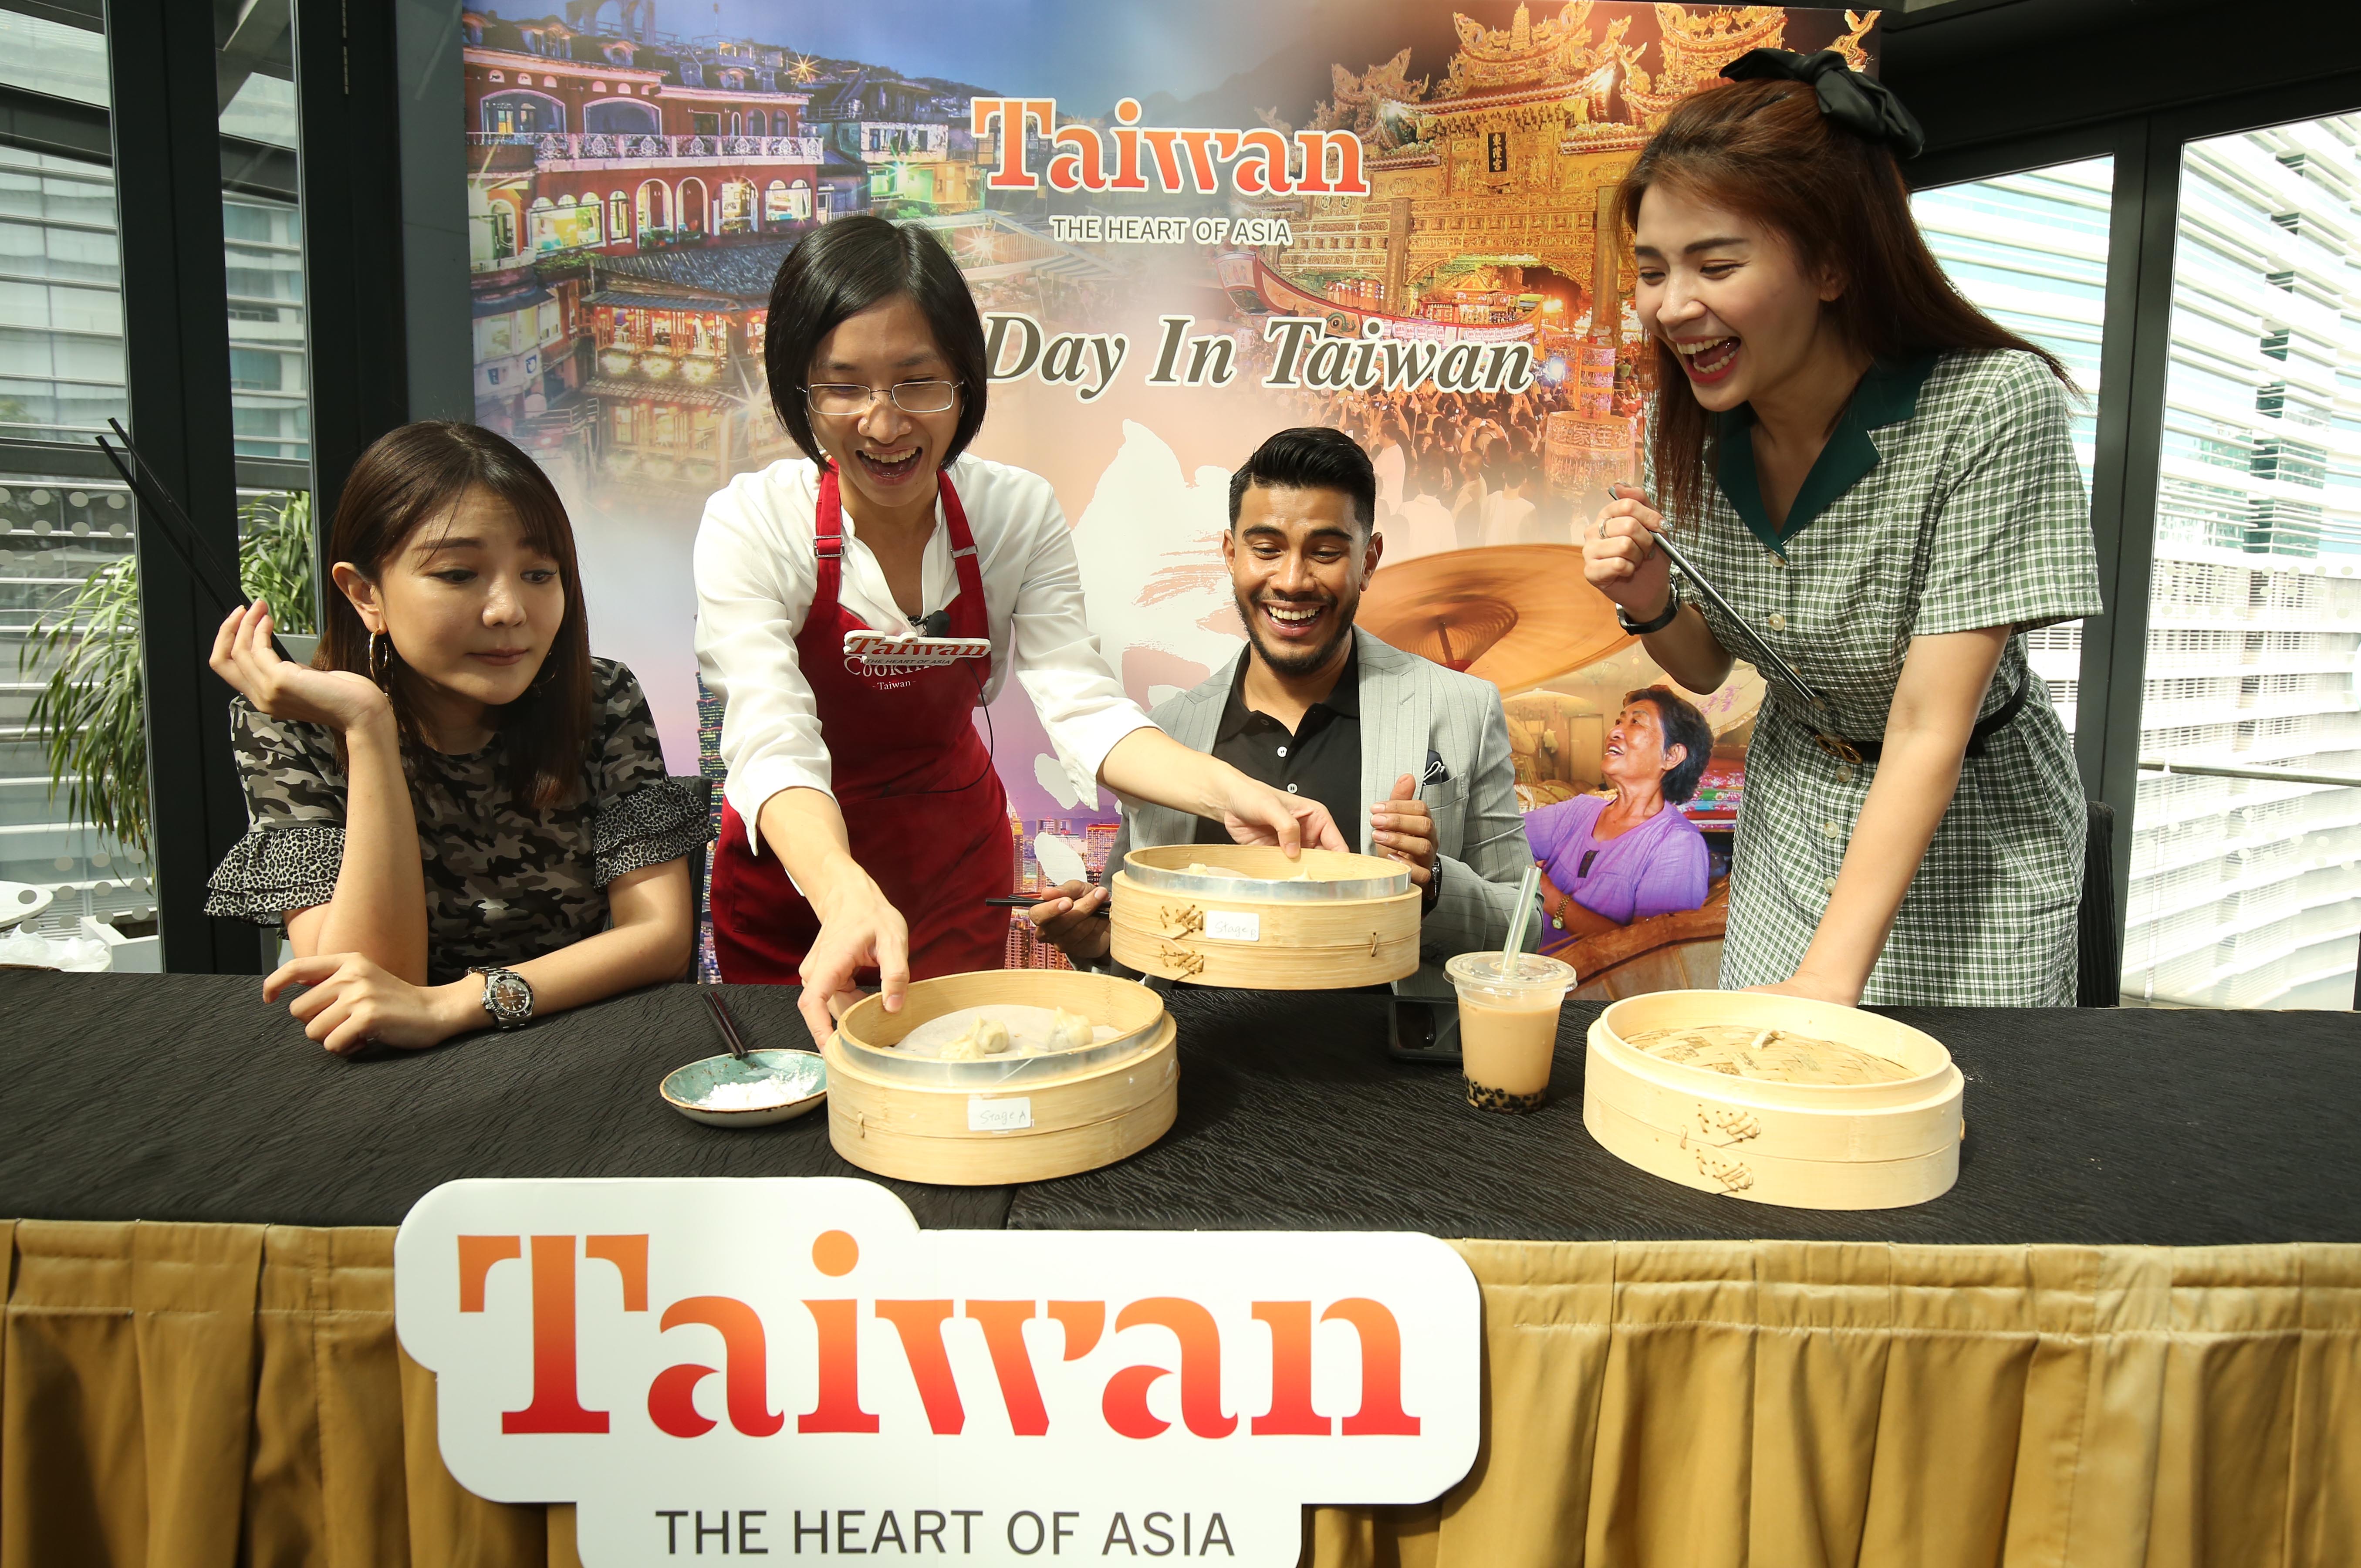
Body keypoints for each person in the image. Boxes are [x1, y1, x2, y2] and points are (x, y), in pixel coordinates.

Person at [695, 216, 1344, 1041]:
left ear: (965, 383)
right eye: (843, 385)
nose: (884, 422)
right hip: (798, 878)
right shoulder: (753, 524)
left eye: (918, 382)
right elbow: (770, 734)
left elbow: (1081, 706)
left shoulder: (1013, 514)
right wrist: (842, 887)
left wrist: (1235, 793)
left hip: (949, 865)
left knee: (961, 1075)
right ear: (799, 391)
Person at [1581, 52, 2101, 1006]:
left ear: (1830, 264)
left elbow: (1924, 725)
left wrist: (1829, 977)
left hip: (1969, 830)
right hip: (1793, 804)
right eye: (1652, 271)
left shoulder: (1986, 409)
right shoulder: (1678, 427)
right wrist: (1648, 599)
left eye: (1715, 263)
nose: (1671, 306)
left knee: (1947, 1122)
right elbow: (1703, 672)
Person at [203, 422, 708, 1053]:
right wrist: (367, 727)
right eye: (458, 574)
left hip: (574, 1046)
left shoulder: (601, 699)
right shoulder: (293, 726)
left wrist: (451, 1006)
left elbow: (659, 939)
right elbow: (359, 992)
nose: (509, 610)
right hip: (387, 1089)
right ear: (365, 594)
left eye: (539, 573)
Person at [1029, 427, 1534, 977]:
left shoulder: (1463, 708)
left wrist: (1434, 884)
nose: (1292, 582)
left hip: (1382, 1057)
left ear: (1369, 560)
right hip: (1196, 1055)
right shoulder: (1164, 737)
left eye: (1324, 552)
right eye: (1266, 549)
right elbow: (1138, 938)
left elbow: (1524, 925)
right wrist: (1098, 943)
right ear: (1230, 554)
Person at [1526, 687, 1713, 941]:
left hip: (1584, 981)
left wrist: (1552, 898)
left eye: (1636, 722)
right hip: (1522, 971)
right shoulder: (1579, 810)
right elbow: (1502, 840)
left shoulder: (1677, 844)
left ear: (1671, 756)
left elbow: (1650, 952)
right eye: (1619, 722)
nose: (1613, 732)